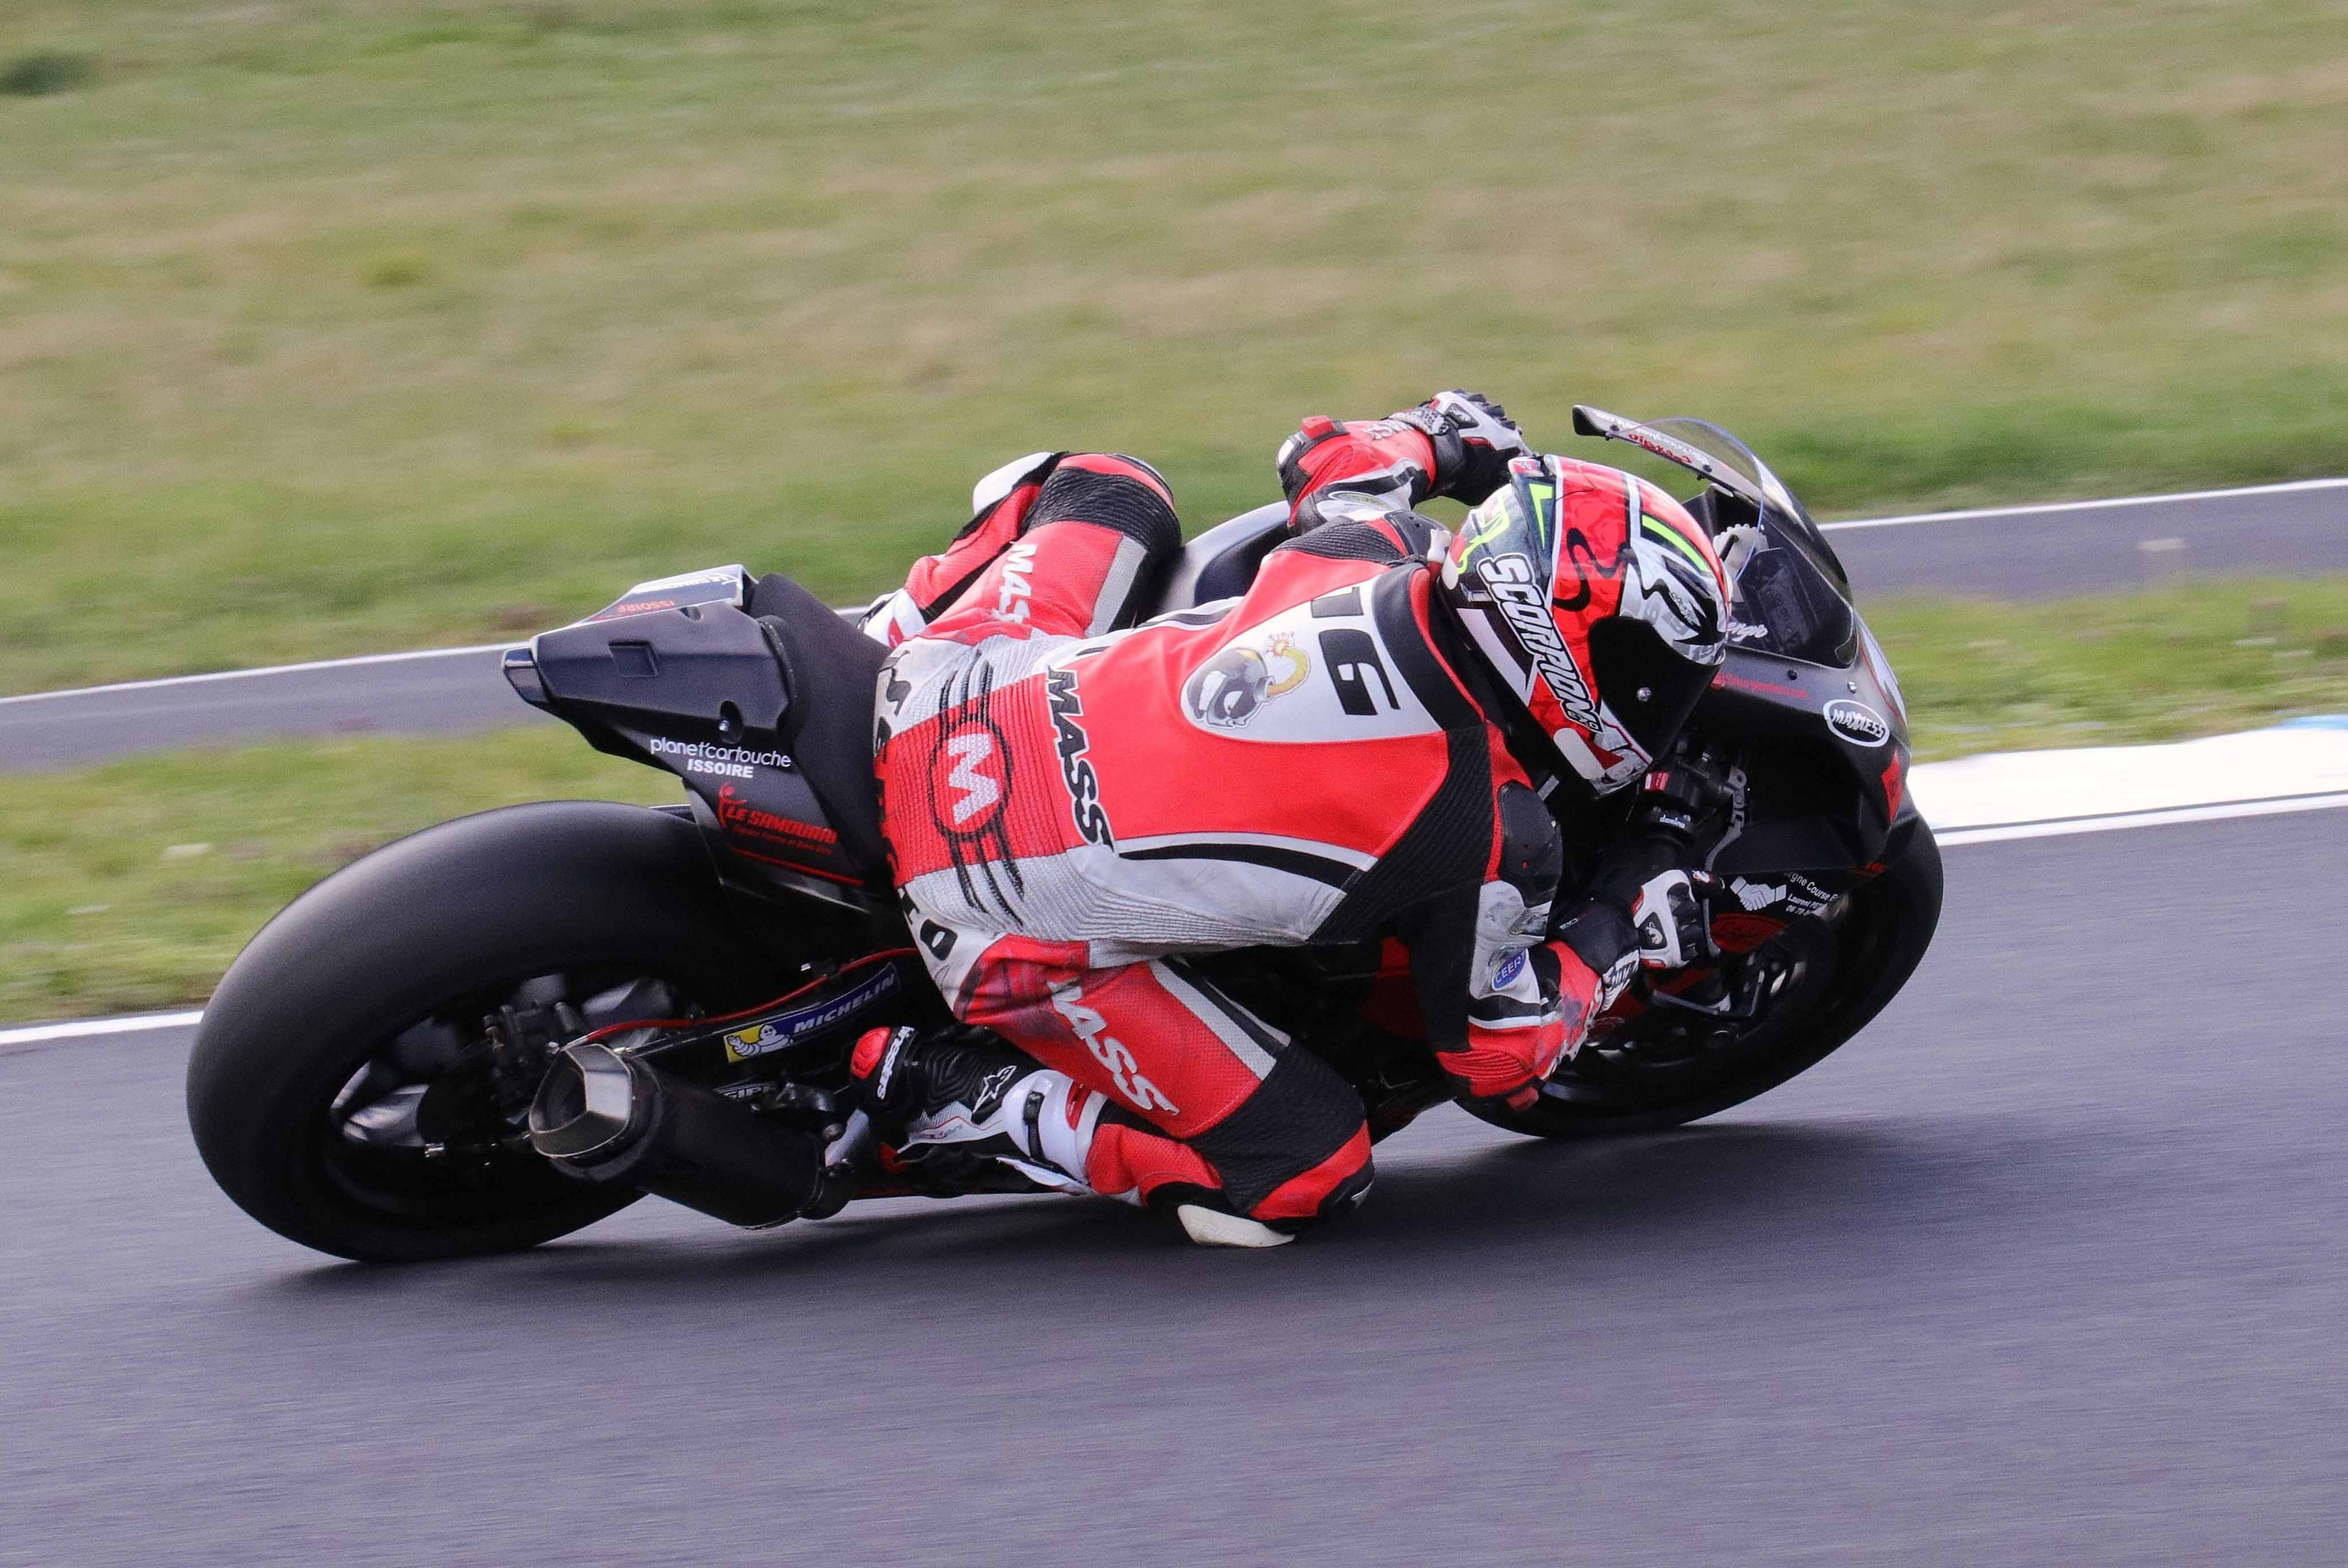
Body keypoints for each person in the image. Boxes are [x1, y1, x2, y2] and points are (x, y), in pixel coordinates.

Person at [850, 392, 1732, 1247]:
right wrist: (1631, 915)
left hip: (942, 687)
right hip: (989, 921)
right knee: (1302, 1173)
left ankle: (881, 632)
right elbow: (1497, 1058)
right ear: (1580, 670)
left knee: (1107, 484)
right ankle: (974, 1101)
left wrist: (1442, 439)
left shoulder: (1370, 545)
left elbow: (1324, 457)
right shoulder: (1489, 833)